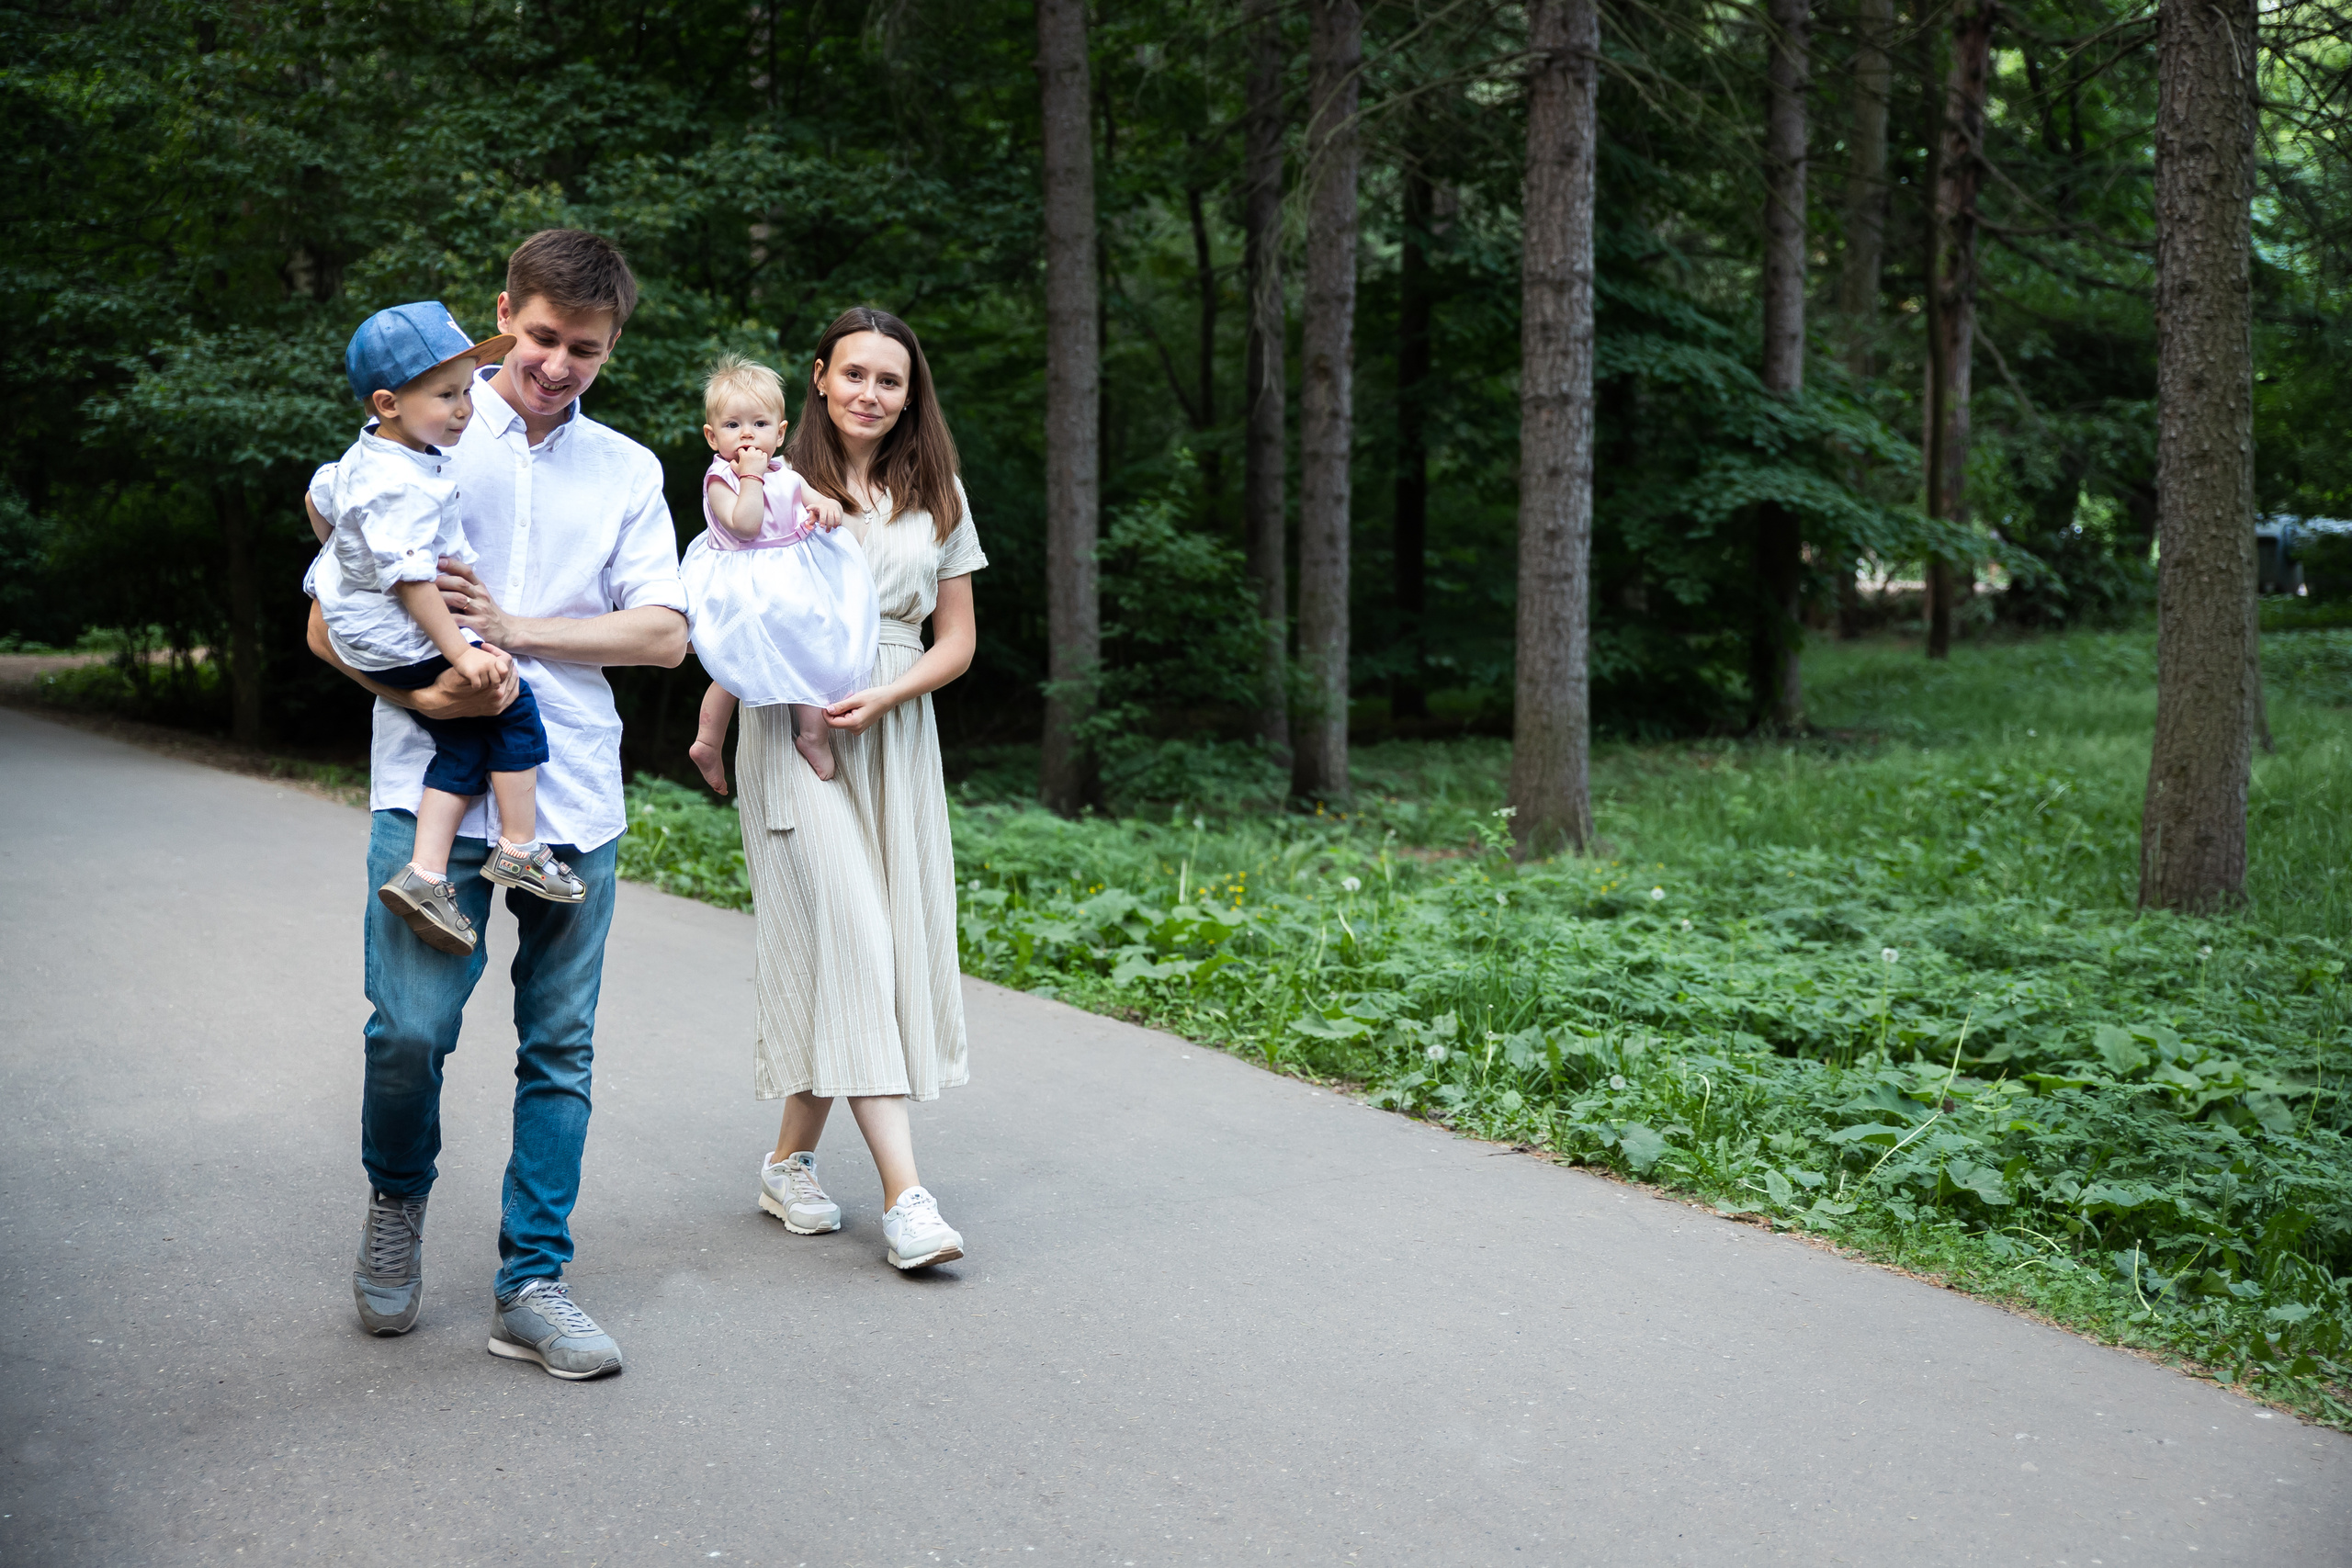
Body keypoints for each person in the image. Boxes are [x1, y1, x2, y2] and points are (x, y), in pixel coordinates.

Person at [303, 230, 689, 1380]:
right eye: (539, 338)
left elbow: (665, 635)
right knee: (408, 1033)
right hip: (423, 784)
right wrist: (437, 687)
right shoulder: (421, 432)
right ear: (501, 318)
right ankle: (397, 1199)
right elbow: (327, 626)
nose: (559, 364)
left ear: (610, 347)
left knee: (558, 1047)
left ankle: (532, 1281)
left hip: (573, 793)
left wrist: (514, 632)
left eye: (586, 348)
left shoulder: (625, 471)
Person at [736, 305, 984, 1272]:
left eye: (891, 379)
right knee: (859, 939)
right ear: (818, 378)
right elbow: (729, 608)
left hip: (895, 720)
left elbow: (957, 642)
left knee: (863, 951)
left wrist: (887, 693)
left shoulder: (939, 494)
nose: (870, 393)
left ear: (909, 392)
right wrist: (716, 724)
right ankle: (906, 1199)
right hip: (796, 730)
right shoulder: (774, 485)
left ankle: (788, 1162)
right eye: (854, 374)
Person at [306, 302, 585, 959]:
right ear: (389, 401)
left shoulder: (374, 452)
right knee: (510, 700)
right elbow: (410, 581)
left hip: (362, 627)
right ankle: (519, 846)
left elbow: (320, 499)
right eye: (447, 395)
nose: (465, 408)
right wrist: (461, 650)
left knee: (462, 742)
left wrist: (344, 557)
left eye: (467, 389)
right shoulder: (401, 483)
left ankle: (426, 875)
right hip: (397, 638)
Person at [682, 354, 876, 790]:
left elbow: (810, 498)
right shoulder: (722, 479)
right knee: (732, 667)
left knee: (810, 649)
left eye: (760, 424)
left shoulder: (784, 470)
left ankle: (812, 734)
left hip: (789, 584)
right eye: (733, 426)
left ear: (781, 432)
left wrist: (825, 506)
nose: (747, 435)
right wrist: (750, 478)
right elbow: (745, 524)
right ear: (713, 437)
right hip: (744, 585)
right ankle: (708, 741)